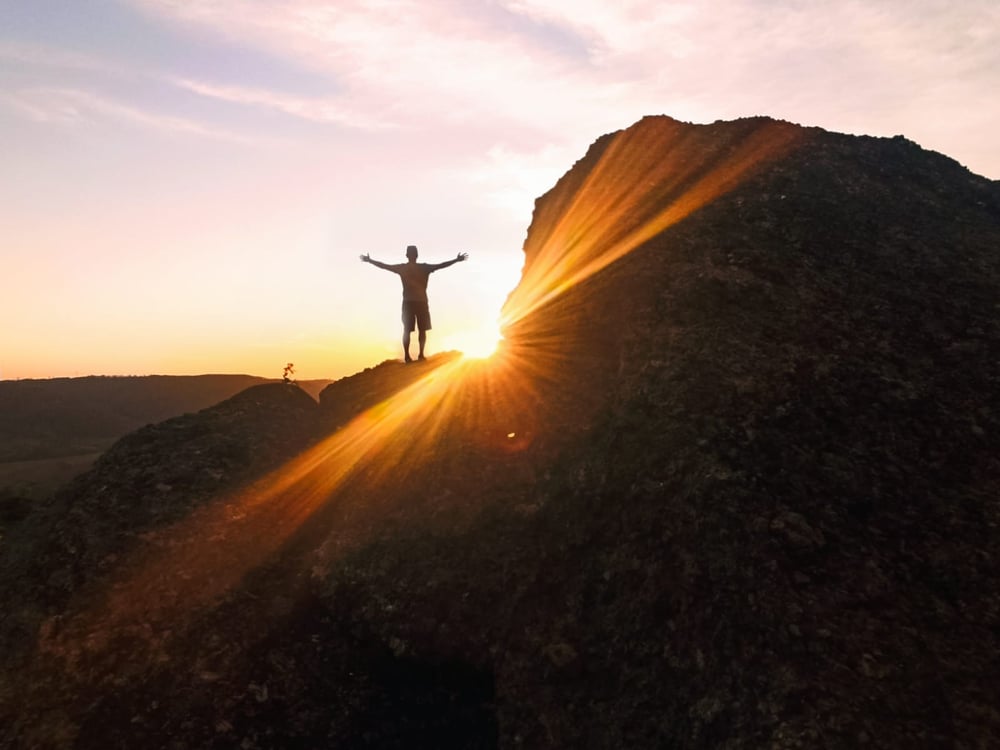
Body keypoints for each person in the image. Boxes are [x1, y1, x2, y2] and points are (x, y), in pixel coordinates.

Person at [360, 244, 468, 362]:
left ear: (407, 255)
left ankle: (408, 356)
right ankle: (420, 355)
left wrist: (370, 260)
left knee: (408, 330)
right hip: (420, 302)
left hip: (409, 303)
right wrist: (456, 260)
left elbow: (384, 266)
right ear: (417, 255)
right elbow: (441, 265)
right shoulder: (424, 268)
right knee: (422, 329)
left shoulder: (403, 268)